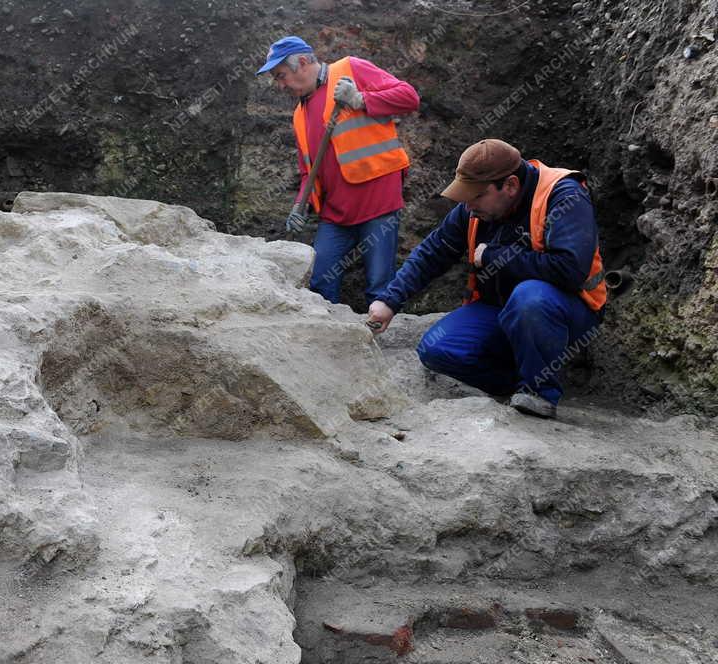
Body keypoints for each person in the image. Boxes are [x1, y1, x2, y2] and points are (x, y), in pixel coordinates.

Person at [366, 139, 607, 419]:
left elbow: (569, 269)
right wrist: (390, 300)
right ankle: (517, 379)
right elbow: (435, 250)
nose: (468, 206)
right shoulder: (475, 207)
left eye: (476, 197)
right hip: (500, 308)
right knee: (437, 350)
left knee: (529, 298)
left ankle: (539, 392)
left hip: (566, 309)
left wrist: (495, 256)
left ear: (511, 186)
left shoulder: (564, 195)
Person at [257, 36, 419, 305]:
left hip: (377, 199)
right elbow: (309, 172)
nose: (281, 85)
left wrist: (360, 99)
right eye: (277, 79)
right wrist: (300, 205)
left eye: (281, 75)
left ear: (304, 62)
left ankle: (377, 341)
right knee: (320, 282)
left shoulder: (350, 69)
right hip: (336, 211)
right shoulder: (299, 114)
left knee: (379, 286)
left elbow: (409, 97)